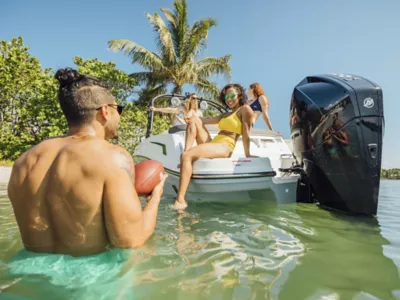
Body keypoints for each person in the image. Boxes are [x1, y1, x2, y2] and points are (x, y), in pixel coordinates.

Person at [7, 68, 167, 257]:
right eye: (119, 109)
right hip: (89, 279)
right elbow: (131, 240)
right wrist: (156, 197)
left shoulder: (24, 161)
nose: (120, 116)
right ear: (105, 111)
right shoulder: (112, 157)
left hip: (25, 274)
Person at [173, 83, 255, 210]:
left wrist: (248, 154)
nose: (229, 99)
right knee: (195, 121)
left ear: (239, 95)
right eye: (226, 97)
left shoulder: (245, 109)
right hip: (214, 142)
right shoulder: (225, 115)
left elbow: (246, 133)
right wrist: (191, 115)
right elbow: (204, 119)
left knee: (186, 156)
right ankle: (186, 158)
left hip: (225, 146)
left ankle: (180, 199)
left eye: (232, 95)